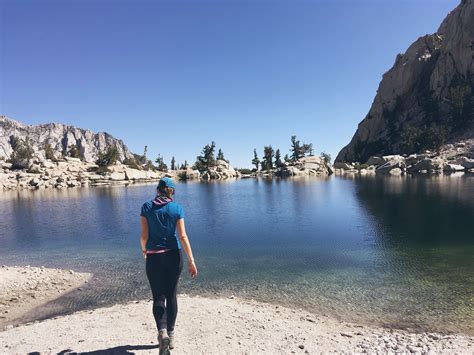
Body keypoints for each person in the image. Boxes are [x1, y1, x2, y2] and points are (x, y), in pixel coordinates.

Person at [140, 177, 198, 354]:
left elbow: (144, 235)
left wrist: (144, 251)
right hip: (174, 255)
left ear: (158, 189)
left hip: (154, 257)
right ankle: (171, 336)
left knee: (158, 296)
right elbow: (182, 236)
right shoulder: (177, 208)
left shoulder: (146, 207)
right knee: (171, 294)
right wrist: (191, 260)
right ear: (171, 191)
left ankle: (162, 332)